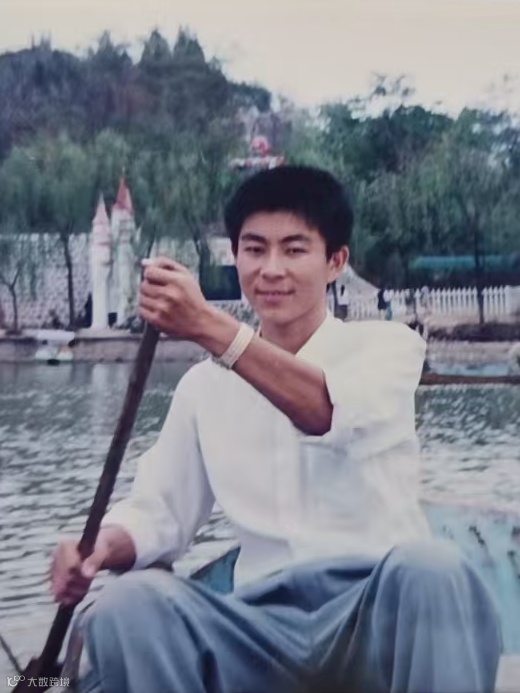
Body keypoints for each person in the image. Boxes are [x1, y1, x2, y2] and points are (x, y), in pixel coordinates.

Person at [51, 166, 501, 693]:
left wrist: (208, 326)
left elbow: (327, 411)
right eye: (254, 249)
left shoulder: (386, 348)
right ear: (236, 255)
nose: (270, 269)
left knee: (434, 569)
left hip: (371, 615)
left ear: (335, 262)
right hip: (257, 628)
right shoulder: (203, 388)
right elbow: (161, 514)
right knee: (126, 605)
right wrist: (96, 549)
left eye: (294, 250)